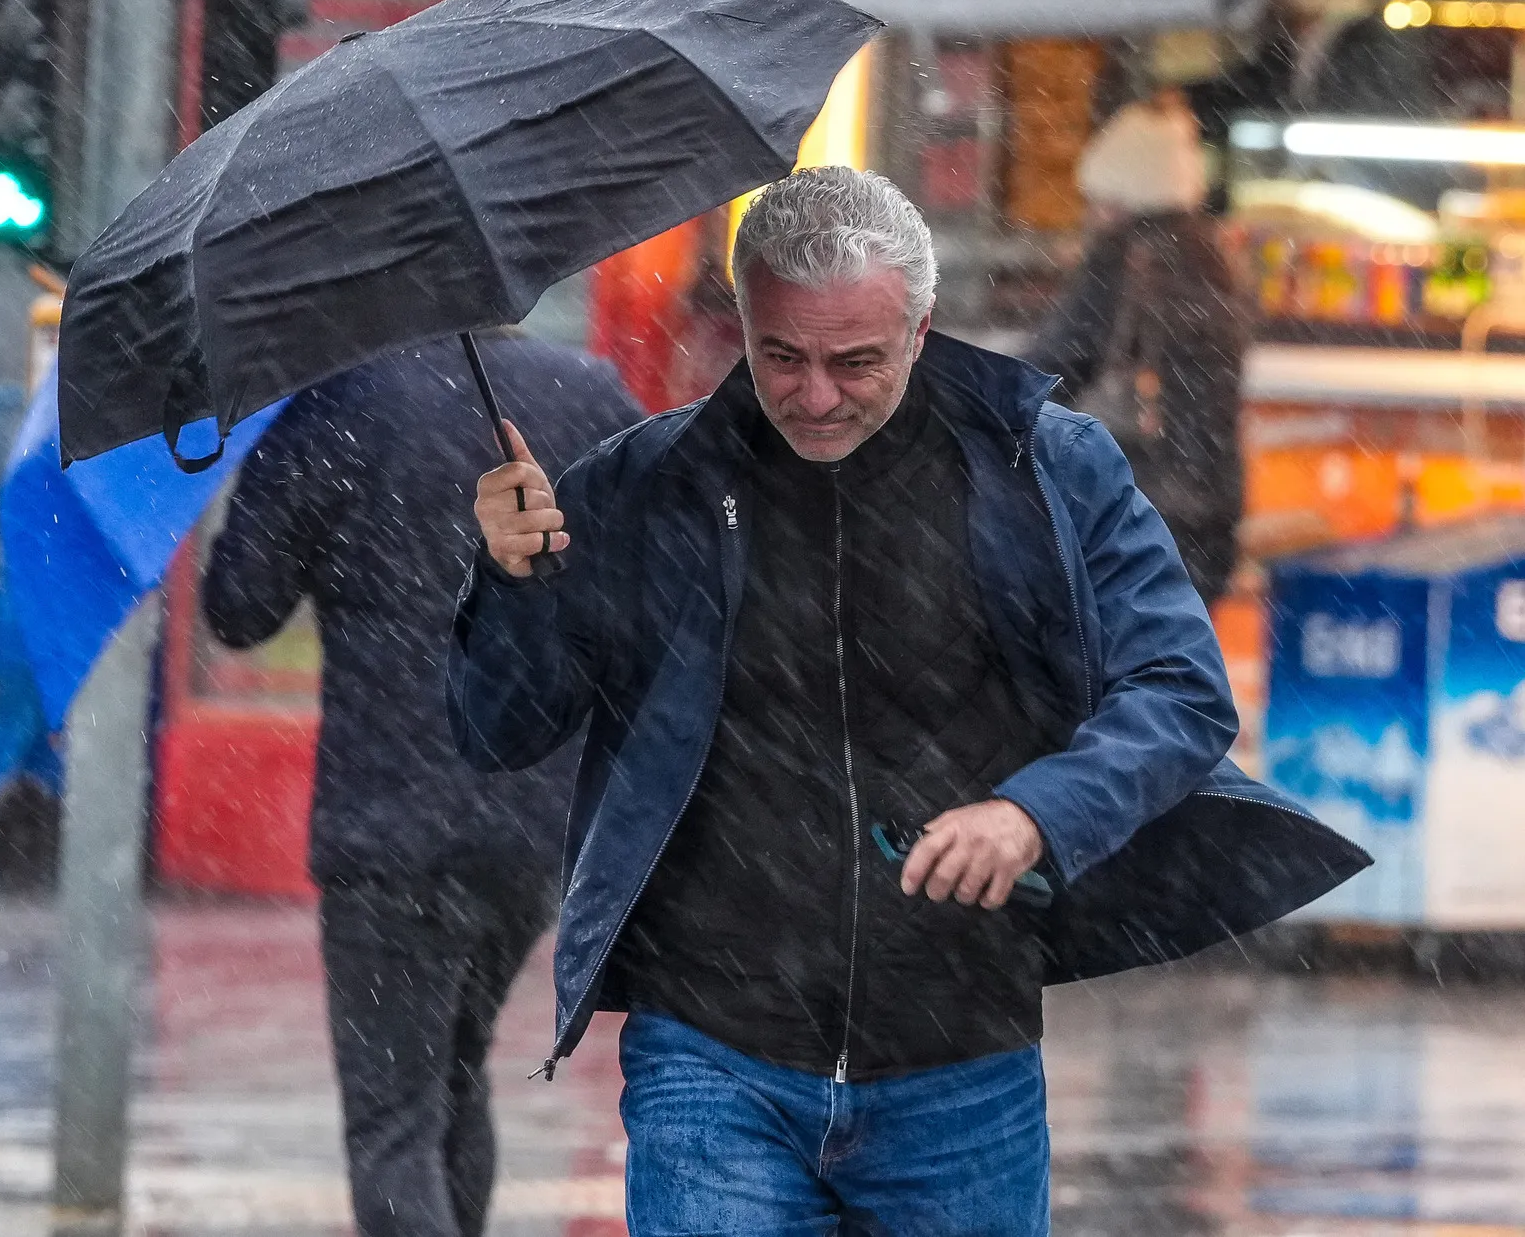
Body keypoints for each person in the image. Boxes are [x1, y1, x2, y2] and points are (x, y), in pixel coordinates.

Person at [449, 168, 1364, 1236]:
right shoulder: (645, 486)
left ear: (922, 329)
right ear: (742, 319)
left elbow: (1178, 691)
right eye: (781, 357)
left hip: (959, 1057)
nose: (815, 395)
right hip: (711, 1052)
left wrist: (1035, 814)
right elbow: (499, 727)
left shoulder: (1046, 471)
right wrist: (512, 583)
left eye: (856, 362)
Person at [203, 332, 639, 1237]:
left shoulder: (340, 403)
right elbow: (661, 579)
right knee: (453, 1073)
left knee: (392, 1118)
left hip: (390, 823)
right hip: (533, 821)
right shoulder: (591, 393)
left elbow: (238, 608)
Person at [1027, 94, 1250, 604]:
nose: (1093, 212)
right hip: (1209, 515)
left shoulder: (1125, 257)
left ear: (1123, 193)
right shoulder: (1215, 257)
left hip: (1132, 508)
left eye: (1099, 197)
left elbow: (1048, 367)